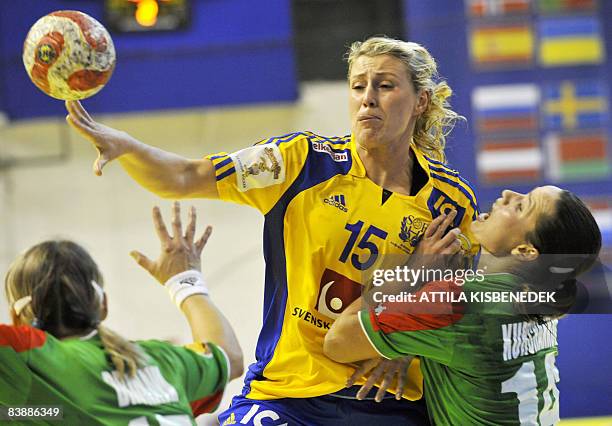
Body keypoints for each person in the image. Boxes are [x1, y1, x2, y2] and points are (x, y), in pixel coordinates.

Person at [65, 36, 479, 425]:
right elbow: (184, 176)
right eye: (357, 86)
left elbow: (463, 307)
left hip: (387, 400)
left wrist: (404, 348)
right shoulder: (301, 161)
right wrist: (125, 145)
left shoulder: (451, 202)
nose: (367, 98)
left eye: (385, 85)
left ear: (421, 101)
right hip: (289, 393)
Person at [324, 186, 602, 425]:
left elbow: (337, 342)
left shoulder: (458, 301)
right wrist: (407, 343)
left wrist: (412, 271)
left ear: (526, 252)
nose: (507, 193)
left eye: (520, 206)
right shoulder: (536, 297)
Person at [1, 203, 243, 425]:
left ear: (16, 318)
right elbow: (230, 357)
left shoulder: (28, 359)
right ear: (103, 304)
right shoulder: (161, 358)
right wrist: (185, 281)